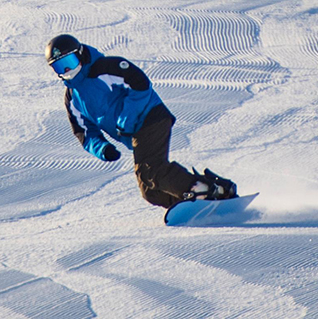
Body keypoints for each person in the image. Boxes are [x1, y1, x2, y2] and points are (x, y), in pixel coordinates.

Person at [45, 33, 236, 210]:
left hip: (150, 117)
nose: (68, 70)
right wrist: (102, 148)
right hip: (134, 134)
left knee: (152, 170)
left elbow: (140, 85)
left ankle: (203, 191)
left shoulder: (105, 67)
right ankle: (192, 202)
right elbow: (84, 133)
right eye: (60, 67)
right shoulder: (72, 97)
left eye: (69, 62)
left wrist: (125, 121)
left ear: (80, 54)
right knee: (150, 192)